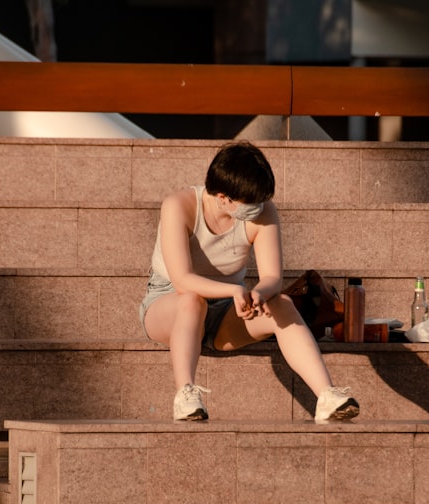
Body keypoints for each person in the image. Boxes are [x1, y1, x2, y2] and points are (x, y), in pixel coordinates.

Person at [139, 140, 359, 422]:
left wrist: (258, 294)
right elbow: (183, 281)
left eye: (261, 200)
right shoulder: (179, 206)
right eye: (250, 203)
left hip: (228, 310)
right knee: (191, 301)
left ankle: (326, 395)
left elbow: (271, 277)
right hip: (169, 302)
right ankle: (186, 395)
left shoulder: (263, 211)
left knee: (281, 303)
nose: (258, 208)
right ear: (222, 197)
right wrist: (235, 289)